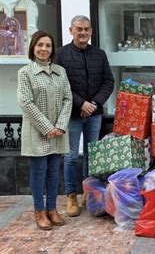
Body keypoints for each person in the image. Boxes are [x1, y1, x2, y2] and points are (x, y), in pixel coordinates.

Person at [56, 15, 115, 217]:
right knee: (71, 156)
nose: (83, 33)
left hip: (94, 114)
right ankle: (71, 195)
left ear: (91, 32)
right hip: (72, 114)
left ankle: (88, 192)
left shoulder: (99, 54)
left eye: (86, 29)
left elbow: (108, 81)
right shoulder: (61, 55)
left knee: (92, 156)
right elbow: (61, 86)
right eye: (79, 29)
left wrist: (94, 104)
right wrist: (82, 103)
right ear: (70, 30)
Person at [17, 31, 72, 230]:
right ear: (33, 47)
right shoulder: (25, 73)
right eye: (40, 45)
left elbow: (68, 99)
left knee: (53, 172)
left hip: (58, 132)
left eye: (48, 46)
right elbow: (26, 102)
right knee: (39, 171)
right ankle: (39, 211)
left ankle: (52, 209)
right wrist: (47, 128)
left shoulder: (60, 71)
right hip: (37, 133)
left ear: (52, 50)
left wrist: (60, 125)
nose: (44, 49)